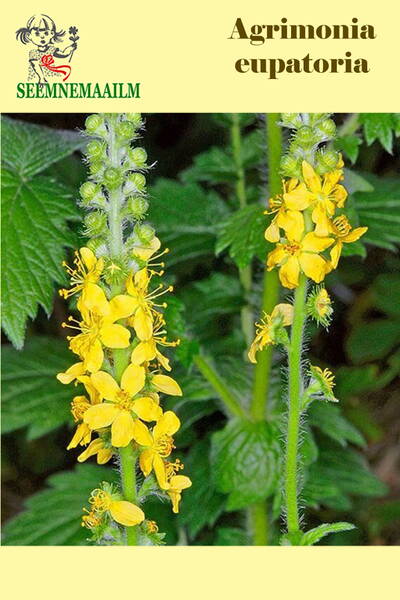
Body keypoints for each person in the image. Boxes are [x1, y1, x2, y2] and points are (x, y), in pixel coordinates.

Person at [16, 14, 78, 83]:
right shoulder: (33, 53)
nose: (42, 37)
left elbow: (63, 54)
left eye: (46, 33)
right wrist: (41, 78)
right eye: (37, 34)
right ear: (29, 36)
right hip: (38, 79)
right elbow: (35, 65)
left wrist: (70, 48)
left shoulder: (51, 49)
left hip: (51, 77)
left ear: (51, 34)